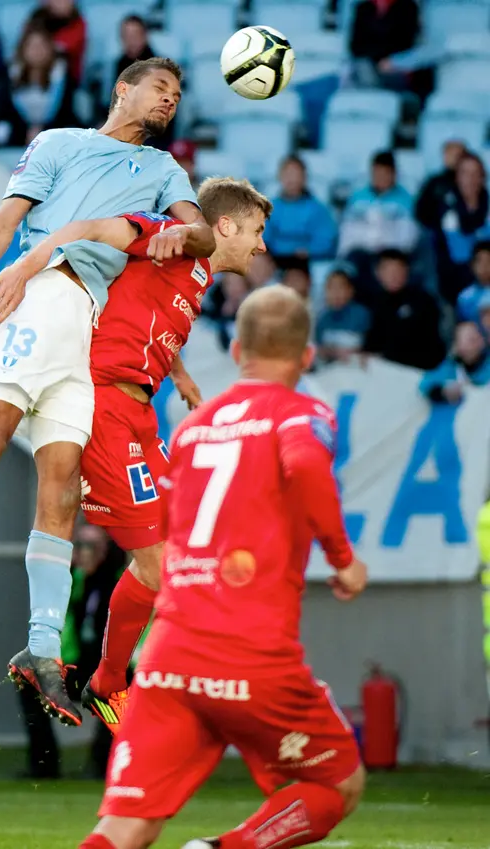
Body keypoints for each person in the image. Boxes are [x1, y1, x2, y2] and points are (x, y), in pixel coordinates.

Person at [0, 57, 214, 725]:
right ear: (122, 88)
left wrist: (177, 232)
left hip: (86, 324)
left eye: (177, 94)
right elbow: (2, 223)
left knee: (59, 485)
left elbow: (198, 231)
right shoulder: (59, 143)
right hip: (39, 290)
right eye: (159, 87)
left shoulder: (166, 171)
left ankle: (42, 648)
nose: (169, 99)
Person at [77, 284, 367, 849]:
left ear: (236, 352)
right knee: (338, 780)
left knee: (125, 826)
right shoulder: (302, 412)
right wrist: (343, 559)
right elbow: (306, 464)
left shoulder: (192, 428)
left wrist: (114, 670)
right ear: (307, 357)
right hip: (251, 654)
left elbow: (158, 555)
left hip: (170, 658)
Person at [0, 176, 272, 732]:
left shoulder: (194, 275)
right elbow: (98, 232)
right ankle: (118, 683)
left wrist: (183, 377)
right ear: (226, 226)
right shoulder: (171, 237)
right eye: (257, 231)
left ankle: (112, 678)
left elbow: (146, 318)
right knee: (163, 563)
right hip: (104, 407)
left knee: (179, 546)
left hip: (137, 414)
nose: (261, 246)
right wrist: (28, 264)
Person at [18, 522, 125, 780]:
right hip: (76, 666)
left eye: (93, 546)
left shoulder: (120, 583)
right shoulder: (67, 582)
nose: (84, 553)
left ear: (106, 551)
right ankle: (44, 765)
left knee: (124, 690)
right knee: (28, 680)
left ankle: (105, 767)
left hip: (112, 669)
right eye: (80, 546)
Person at [0, 26, 78, 149]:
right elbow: (5, 110)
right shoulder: (11, 73)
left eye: (42, 46)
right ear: (23, 49)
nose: (37, 51)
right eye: (32, 46)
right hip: (19, 129)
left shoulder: (61, 75)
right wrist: (26, 130)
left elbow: (65, 112)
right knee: (0, 132)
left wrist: (43, 130)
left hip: (53, 129)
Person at [364, 249, 445, 370]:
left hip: (419, 368)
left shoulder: (423, 300)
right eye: (388, 271)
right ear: (378, 273)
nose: (393, 275)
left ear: (406, 270)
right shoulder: (374, 303)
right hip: (385, 368)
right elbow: (372, 342)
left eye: (397, 270)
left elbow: (427, 343)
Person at [430, 153, 490, 304]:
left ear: (483, 177)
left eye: (475, 173)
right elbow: (447, 255)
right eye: (465, 173)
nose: (470, 179)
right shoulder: (443, 210)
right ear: (457, 177)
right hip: (453, 284)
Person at [339, 151, 418, 262]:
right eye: (377, 173)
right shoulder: (357, 197)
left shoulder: (405, 200)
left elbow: (407, 239)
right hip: (361, 253)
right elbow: (347, 233)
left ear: (394, 174)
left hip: (391, 255)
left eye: (385, 173)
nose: (380, 177)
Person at [263, 155, 337, 266]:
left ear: (304, 178)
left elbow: (326, 241)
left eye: (296, 175)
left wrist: (309, 250)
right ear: (279, 177)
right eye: (287, 174)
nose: (291, 179)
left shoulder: (318, 209)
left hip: (302, 262)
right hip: (273, 260)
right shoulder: (269, 207)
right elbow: (262, 238)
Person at [349, 0, 420, 90]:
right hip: (368, 62)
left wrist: (390, 60)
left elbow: (404, 42)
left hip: (396, 63)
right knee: (362, 68)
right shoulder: (363, 8)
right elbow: (355, 45)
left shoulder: (408, 7)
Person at [419, 322, 490, 404]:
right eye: (470, 339)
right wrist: (443, 392)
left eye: (473, 339)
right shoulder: (451, 367)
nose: (466, 347)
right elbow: (424, 386)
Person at [316, 268, 372, 363]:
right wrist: (333, 352)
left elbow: (369, 348)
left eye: (341, 287)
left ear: (350, 291)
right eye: (331, 288)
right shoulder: (322, 318)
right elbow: (319, 350)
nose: (336, 293)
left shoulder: (362, 314)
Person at [27, 0, 87, 83]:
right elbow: (25, 44)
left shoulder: (79, 23)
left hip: (67, 80)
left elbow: (62, 48)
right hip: (34, 73)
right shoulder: (38, 17)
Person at [415, 140, 467, 231]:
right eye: (450, 154)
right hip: (435, 233)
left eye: (458, 155)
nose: (455, 159)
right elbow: (420, 211)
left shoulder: (472, 181)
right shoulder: (434, 182)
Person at [456, 241, 490, 327]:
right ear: (472, 265)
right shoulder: (465, 298)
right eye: (480, 262)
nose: (484, 267)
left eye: (488, 262)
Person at [115, 16, 154, 81]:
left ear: (145, 36)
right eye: (126, 35)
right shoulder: (119, 64)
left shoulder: (158, 67)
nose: (131, 40)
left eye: (135, 35)